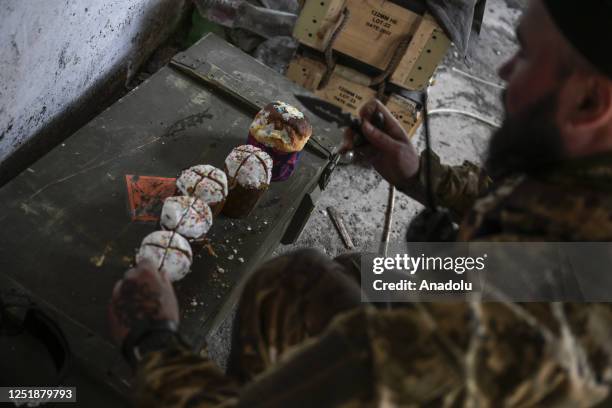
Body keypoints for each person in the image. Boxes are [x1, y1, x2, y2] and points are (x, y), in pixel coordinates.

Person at [109, 0, 612, 406]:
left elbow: (439, 353)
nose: (503, 68)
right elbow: (523, 197)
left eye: (523, 55)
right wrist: (419, 175)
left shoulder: (495, 340)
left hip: (472, 330)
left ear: (590, 103)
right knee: (295, 280)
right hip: (469, 271)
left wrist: (152, 341)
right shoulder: (591, 162)